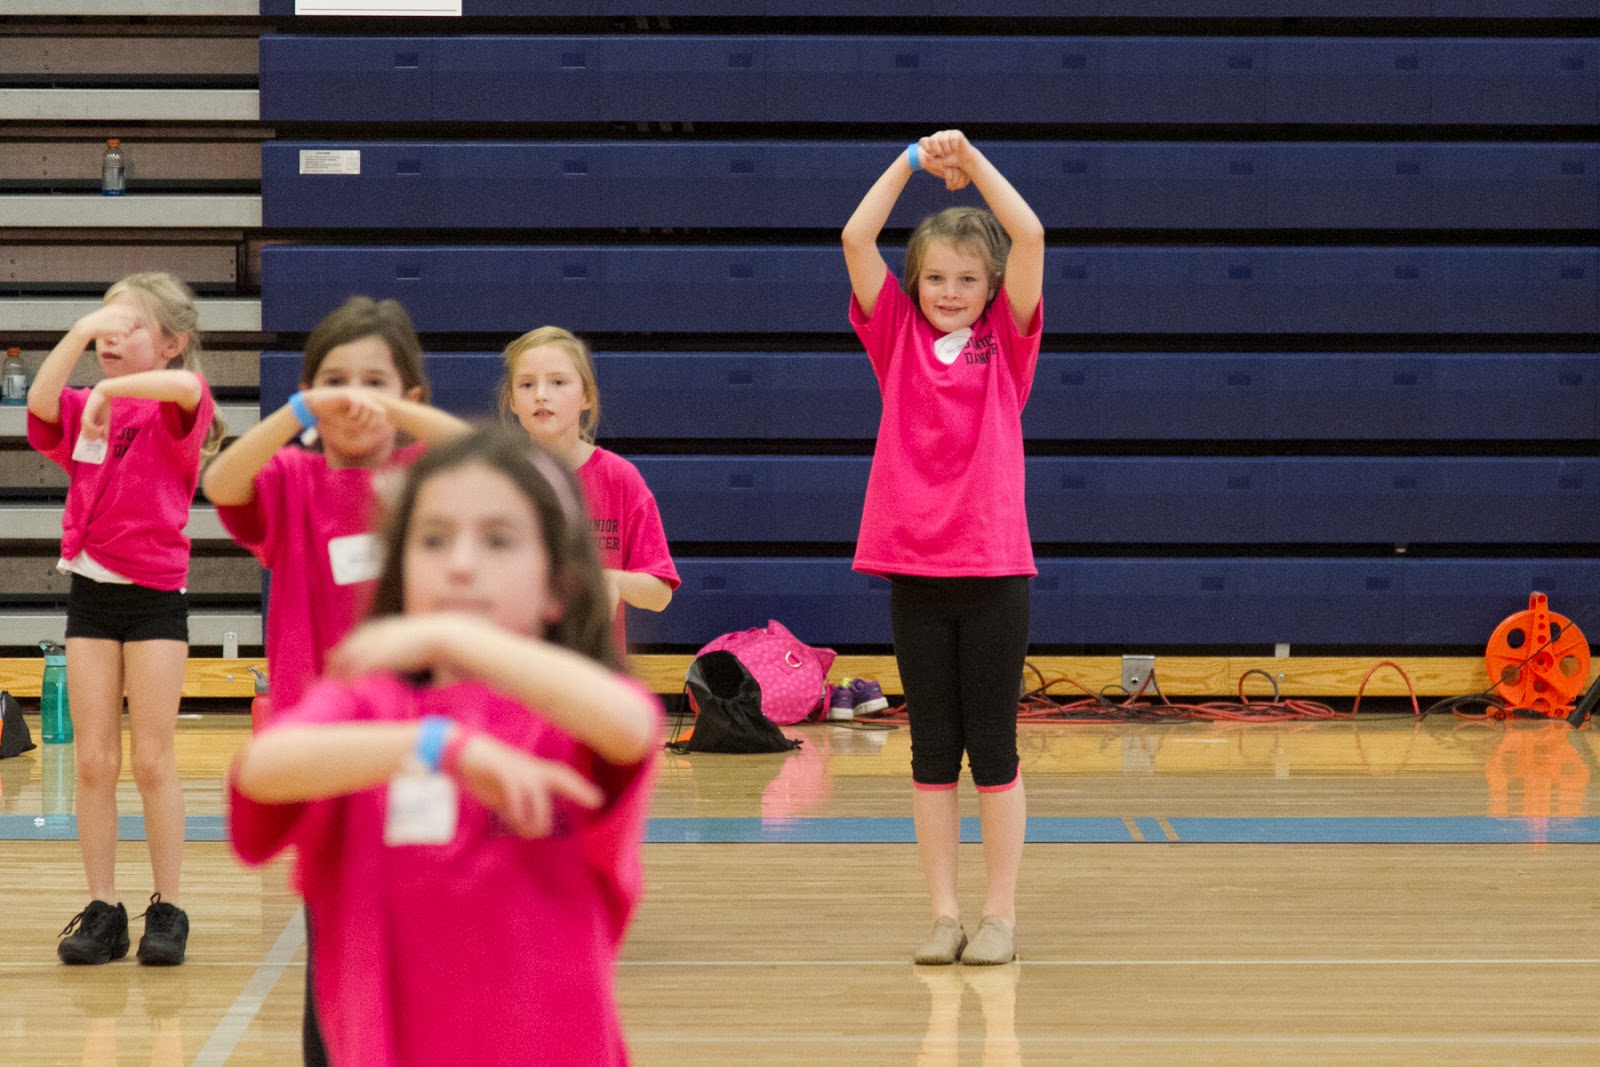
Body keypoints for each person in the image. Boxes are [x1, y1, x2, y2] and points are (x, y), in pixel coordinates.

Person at [229, 426, 661, 1066]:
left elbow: (634, 723)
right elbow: (263, 769)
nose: (460, 564)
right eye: (432, 539)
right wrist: (439, 746)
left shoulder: (568, 717)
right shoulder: (368, 706)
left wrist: (453, 640)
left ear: (558, 587)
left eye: (498, 540)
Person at [202, 295, 468, 1064]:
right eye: (335, 380)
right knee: (337, 954)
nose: (355, 396)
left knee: (430, 945)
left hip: (425, 746)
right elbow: (222, 479)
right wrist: (297, 410)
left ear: (411, 397)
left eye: (376, 381)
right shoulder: (290, 478)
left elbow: (492, 455)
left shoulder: (429, 478)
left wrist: (397, 413)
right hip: (327, 757)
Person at [841, 130, 1045, 966]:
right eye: (935, 278)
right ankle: (945, 913)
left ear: (991, 287)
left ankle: (999, 914)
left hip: (995, 571)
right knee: (931, 749)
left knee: (992, 746)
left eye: (967, 279)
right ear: (914, 284)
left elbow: (1028, 233)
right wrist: (910, 163)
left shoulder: (1011, 343)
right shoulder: (896, 338)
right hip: (915, 571)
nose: (950, 291)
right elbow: (857, 238)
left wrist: (975, 164)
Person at [28, 271, 223, 966]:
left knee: (151, 758)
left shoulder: (172, 408)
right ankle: (104, 906)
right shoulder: (86, 404)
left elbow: (192, 391)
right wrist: (81, 335)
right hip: (91, 594)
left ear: (170, 343)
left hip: (154, 596)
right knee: (92, 760)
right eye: (103, 325)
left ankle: (167, 906)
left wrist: (112, 391)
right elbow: (43, 399)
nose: (110, 336)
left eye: (127, 326)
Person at [499, 326, 678, 652]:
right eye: (527, 384)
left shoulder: (620, 478)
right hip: (515, 670)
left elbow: (660, 593)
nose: (541, 394)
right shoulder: (499, 477)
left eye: (557, 382)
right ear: (512, 401)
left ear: (587, 397)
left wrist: (613, 580)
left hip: (593, 674)